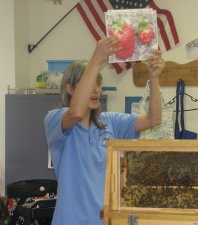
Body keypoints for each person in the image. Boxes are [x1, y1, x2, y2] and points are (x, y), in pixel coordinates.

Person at [44, 36, 165, 225]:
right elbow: (75, 112)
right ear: (69, 88)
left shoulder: (110, 122)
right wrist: (96, 59)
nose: (96, 90)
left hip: (104, 220)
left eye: (99, 83)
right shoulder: (55, 119)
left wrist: (154, 78)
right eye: (89, 82)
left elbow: (154, 119)